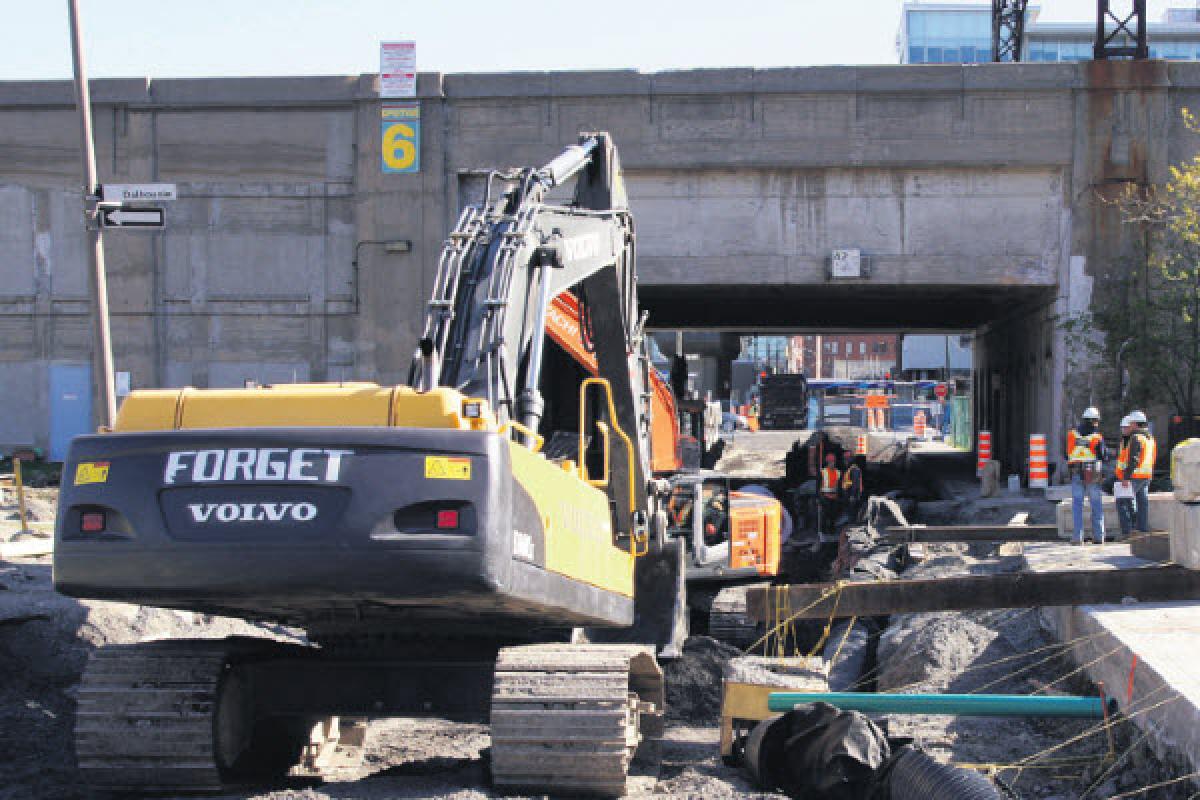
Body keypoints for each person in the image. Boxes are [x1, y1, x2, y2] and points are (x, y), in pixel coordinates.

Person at [1067, 406, 1108, 544]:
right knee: (1096, 504)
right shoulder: (1097, 437)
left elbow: (1067, 453)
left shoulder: (1072, 434)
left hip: (1076, 472)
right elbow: (1103, 455)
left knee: (1077, 505)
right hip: (1093, 473)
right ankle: (1099, 536)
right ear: (1094, 421)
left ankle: (1077, 537)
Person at [1128, 410, 1156, 533]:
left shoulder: (1136, 437)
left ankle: (1133, 528)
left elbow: (1134, 458)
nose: (1130, 425)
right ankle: (1142, 529)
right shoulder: (1150, 439)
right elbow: (1153, 457)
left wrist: (1126, 475)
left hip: (1136, 475)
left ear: (1135, 424)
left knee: (1129, 501)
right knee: (1143, 503)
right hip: (1147, 475)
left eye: (1131, 423)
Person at [1115, 415, 1137, 539]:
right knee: (1125, 504)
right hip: (1123, 477)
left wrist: (1126, 477)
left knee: (1127, 505)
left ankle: (1129, 532)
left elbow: (1131, 460)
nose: (1123, 430)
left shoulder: (1131, 441)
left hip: (1127, 478)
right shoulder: (1125, 441)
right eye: (1122, 428)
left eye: (1125, 428)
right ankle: (1129, 531)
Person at [818, 452, 841, 538]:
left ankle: (831, 530)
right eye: (830, 462)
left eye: (833, 462)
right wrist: (819, 496)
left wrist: (838, 495)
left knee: (833, 515)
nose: (832, 463)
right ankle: (823, 531)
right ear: (827, 462)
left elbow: (838, 485)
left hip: (834, 497)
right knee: (825, 515)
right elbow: (818, 485)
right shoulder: (823, 472)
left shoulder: (838, 472)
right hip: (825, 496)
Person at [841, 454, 865, 523]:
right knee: (850, 510)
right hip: (849, 493)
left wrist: (852, 495)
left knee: (852, 510)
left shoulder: (854, 469)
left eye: (845, 460)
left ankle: (852, 524)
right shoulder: (850, 469)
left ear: (849, 460)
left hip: (852, 494)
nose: (844, 462)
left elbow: (855, 484)